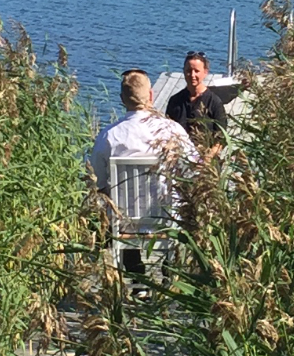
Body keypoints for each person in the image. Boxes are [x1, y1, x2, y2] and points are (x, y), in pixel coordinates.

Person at [88, 70, 197, 275]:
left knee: (112, 207)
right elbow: (194, 168)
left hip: (124, 222)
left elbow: (97, 182)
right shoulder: (171, 130)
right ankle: (169, 272)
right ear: (151, 95)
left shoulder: (109, 136)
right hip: (167, 219)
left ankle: (137, 279)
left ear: (122, 99)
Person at [164, 51, 227, 151]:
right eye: (189, 70)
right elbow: (167, 133)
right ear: (183, 71)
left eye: (196, 71)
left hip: (205, 156)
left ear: (205, 72)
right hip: (180, 155)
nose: (192, 75)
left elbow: (221, 140)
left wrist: (207, 157)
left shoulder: (214, 102)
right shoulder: (175, 101)